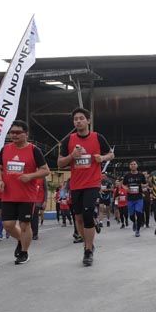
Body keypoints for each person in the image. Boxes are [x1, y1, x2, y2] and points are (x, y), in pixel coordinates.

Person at [57, 108, 114, 266]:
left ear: (88, 121)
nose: (78, 121)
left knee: (87, 215)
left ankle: (88, 251)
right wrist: (71, 157)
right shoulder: (69, 140)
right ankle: (88, 243)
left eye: (81, 118)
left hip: (92, 183)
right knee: (79, 218)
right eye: (75, 119)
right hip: (76, 185)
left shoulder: (97, 137)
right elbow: (60, 163)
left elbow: (111, 154)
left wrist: (102, 157)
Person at [0, 121, 49, 265]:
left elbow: (45, 170)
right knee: (8, 225)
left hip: (27, 196)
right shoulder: (5, 149)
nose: (14, 135)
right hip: (8, 194)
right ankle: (20, 240)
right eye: (12, 132)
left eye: (18, 132)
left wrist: (30, 176)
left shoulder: (34, 150)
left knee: (25, 225)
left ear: (26, 134)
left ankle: (24, 252)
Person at [123, 160, 147, 237]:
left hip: (139, 197)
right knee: (131, 216)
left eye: (134, 164)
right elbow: (123, 185)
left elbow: (144, 184)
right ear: (129, 166)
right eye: (131, 164)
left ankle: (138, 230)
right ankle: (134, 222)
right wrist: (127, 189)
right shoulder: (127, 176)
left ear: (137, 165)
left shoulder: (141, 175)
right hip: (130, 198)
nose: (133, 165)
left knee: (139, 213)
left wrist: (144, 187)